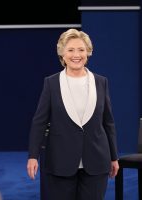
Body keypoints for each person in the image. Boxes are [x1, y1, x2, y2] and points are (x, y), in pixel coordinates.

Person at [27, 28, 119, 200]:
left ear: (88, 52)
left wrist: (114, 157)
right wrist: (33, 156)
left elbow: (108, 122)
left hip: (96, 161)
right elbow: (39, 122)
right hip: (60, 161)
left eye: (81, 49)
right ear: (62, 53)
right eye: (70, 50)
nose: (76, 54)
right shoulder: (51, 83)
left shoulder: (101, 82)